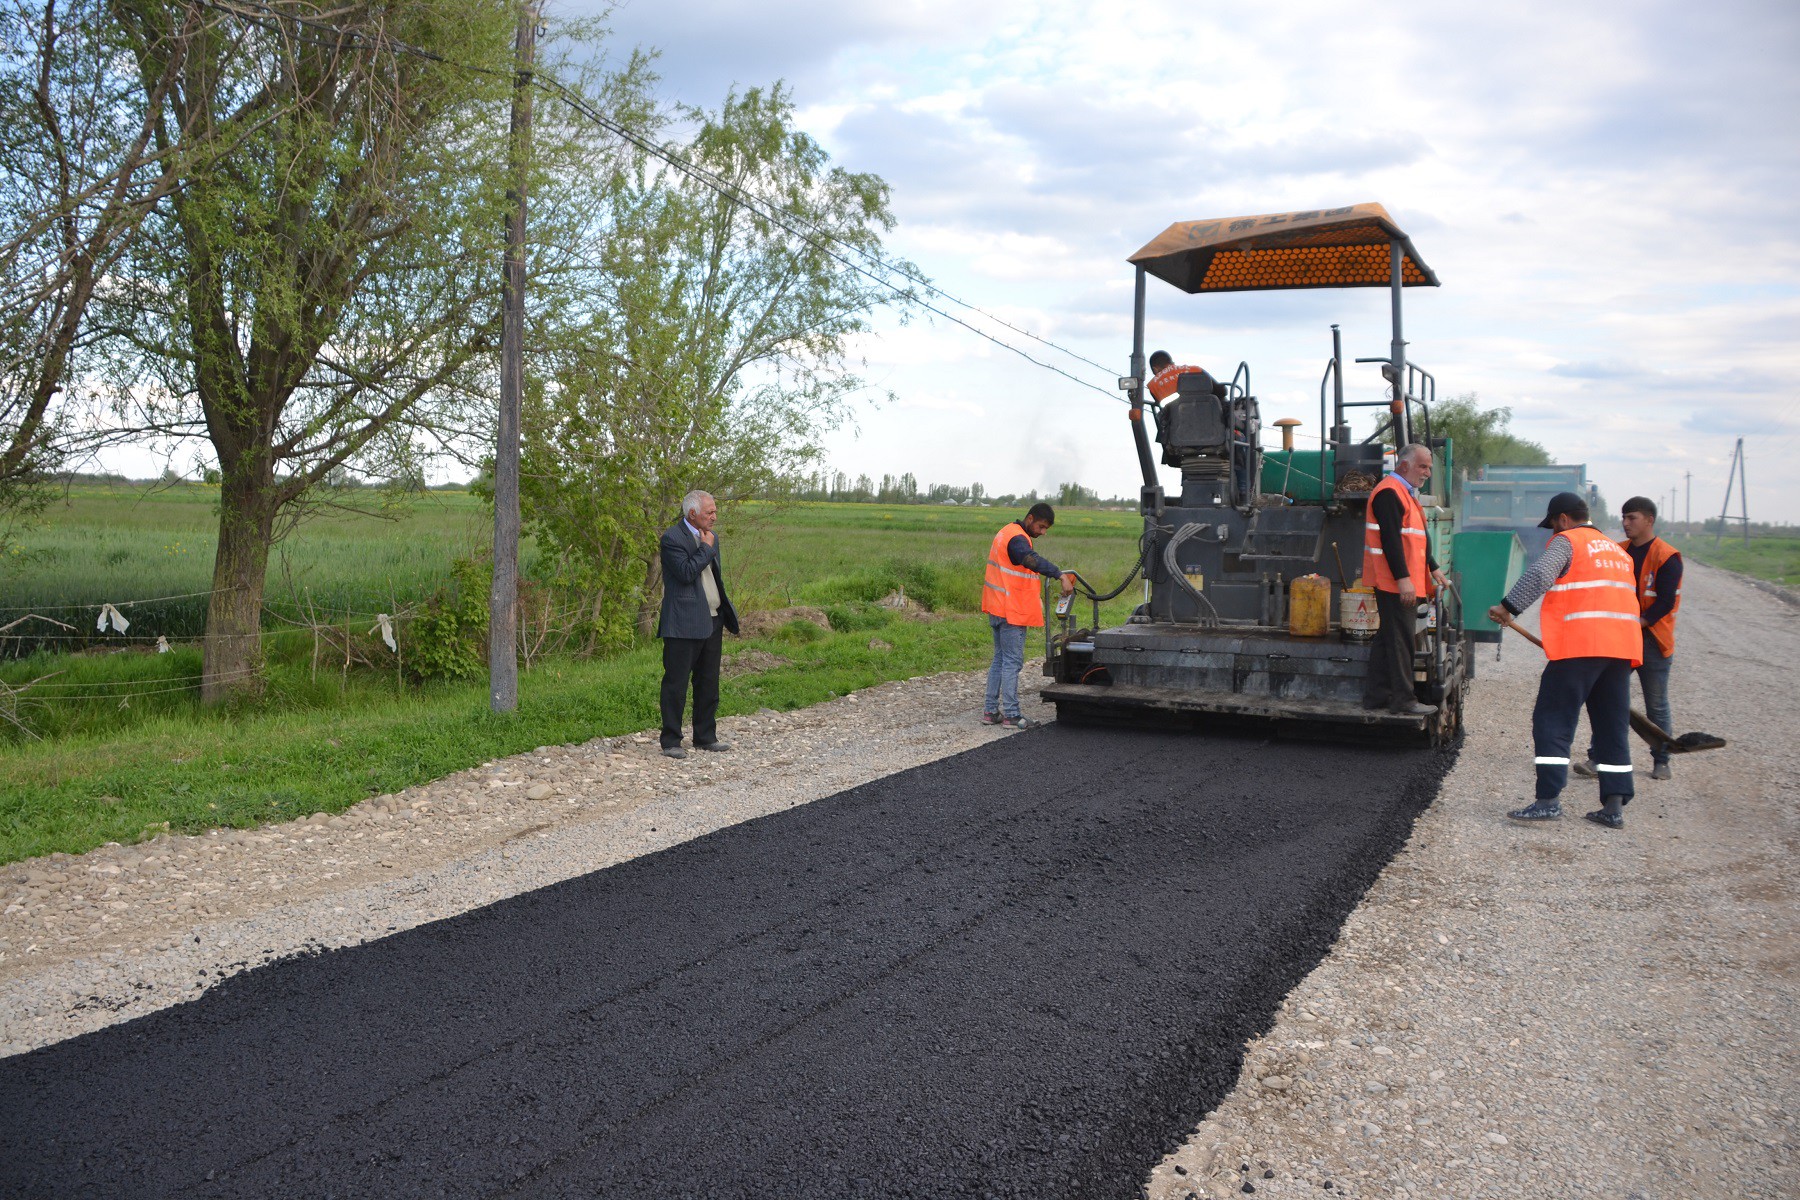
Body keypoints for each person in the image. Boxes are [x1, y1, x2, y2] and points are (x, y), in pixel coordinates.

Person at [1489, 492, 1642, 829]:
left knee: (1553, 719)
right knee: (1611, 726)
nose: (1552, 532)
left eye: (1552, 525)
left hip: (1580, 647)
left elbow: (1541, 575)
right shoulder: (1616, 550)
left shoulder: (1567, 541)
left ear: (1561, 519)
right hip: (1620, 649)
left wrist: (1507, 607)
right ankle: (1613, 807)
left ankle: (1548, 801)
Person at [1573, 496, 1682, 781]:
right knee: (1608, 698)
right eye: (1624, 517)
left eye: (1631, 517)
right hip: (1619, 638)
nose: (1625, 523)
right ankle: (1598, 758)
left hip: (1653, 642)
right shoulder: (1617, 552)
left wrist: (1637, 623)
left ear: (1649, 520)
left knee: (1656, 704)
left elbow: (1666, 602)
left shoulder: (1667, 557)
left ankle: (1662, 760)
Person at [1361, 443, 1447, 717]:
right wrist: (1403, 580)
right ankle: (1403, 700)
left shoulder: (1403, 492)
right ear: (1404, 465)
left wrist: (1432, 566)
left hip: (1397, 579)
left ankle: (1376, 697)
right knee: (1401, 640)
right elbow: (1391, 541)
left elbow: (1414, 539)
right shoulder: (1390, 492)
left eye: (1429, 467)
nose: (1427, 473)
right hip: (1393, 580)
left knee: (1389, 637)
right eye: (1423, 466)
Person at [657, 490, 739, 760]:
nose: (714, 516)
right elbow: (686, 573)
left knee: (708, 683)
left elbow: (713, 576)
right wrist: (705, 548)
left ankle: (705, 737)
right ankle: (671, 741)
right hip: (683, 623)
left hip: (713, 619)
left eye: (715, 511)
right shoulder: (673, 538)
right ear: (692, 514)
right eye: (709, 512)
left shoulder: (711, 538)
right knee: (676, 684)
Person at [982, 501, 1076, 729]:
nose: (1043, 532)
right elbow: (1029, 559)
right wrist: (1059, 574)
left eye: (1046, 529)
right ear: (1030, 518)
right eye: (1041, 527)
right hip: (1011, 610)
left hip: (997, 607)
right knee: (1012, 662)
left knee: (1000, 660)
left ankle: (990, 711)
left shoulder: (1007, 532)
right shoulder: (1016, 539)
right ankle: (1012, 715)